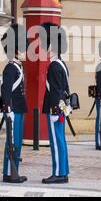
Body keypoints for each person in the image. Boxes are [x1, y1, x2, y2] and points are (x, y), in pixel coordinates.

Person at [40, 22, 70, 184]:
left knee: (56, 142)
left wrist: (54, 111)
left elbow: (56, 91)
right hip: (60, 109)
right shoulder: (61, 64)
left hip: (55, 110)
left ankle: (58, 173)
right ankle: (63, 171)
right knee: (61, 140)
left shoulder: (53, 66)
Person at [0, 24, 28, 183]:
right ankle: (9, 172)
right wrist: (8, 109)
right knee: (12, 142)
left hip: (19, 109)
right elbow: (6, 91)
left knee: (17, 142)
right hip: (13, 110)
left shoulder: (17, 66)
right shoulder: (10, 68)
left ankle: (14, 170)